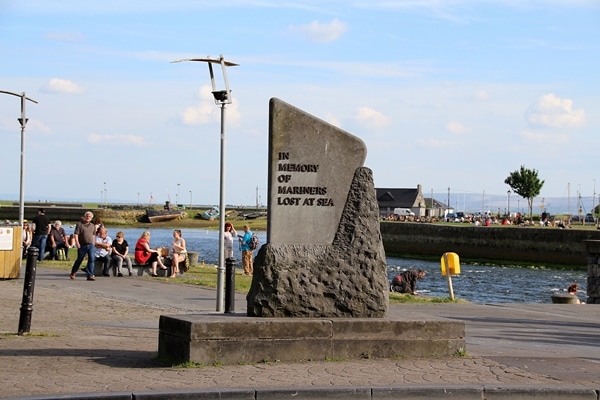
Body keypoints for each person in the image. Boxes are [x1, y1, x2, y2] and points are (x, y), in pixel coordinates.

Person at [70, 211, 97, 281]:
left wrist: (93, 243)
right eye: (87, 216)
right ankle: (73, 272)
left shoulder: (93, 226)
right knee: (80, 259)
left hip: (90, 245)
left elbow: (94, 235)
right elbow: (76, 234)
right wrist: (77, 243)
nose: (88, 217)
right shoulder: (79, 225)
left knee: (91, 259)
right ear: (85, 217)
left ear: (91, 218)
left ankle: (90, 275)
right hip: (82, 245)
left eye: (90, 216)